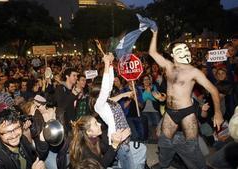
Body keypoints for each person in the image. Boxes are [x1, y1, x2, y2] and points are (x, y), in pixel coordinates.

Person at [148, 28, 224, 168]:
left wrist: (218, 113)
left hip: (187, 113)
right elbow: (152, 53)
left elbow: (213, 90)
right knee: (164, 142)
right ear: (172, 55)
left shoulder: (194, 72)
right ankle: (164, 164)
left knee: (191, 147)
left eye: (186, 50)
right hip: (170, 112)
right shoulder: (168, 66)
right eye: (180, 51)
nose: (185, 53)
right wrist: (154, 33)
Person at [91, 53, 147, 169]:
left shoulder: (107, 101)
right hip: (119, 140)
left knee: (124, 163)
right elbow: (106, 87)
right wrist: (106, 64)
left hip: (125, 136)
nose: (105, 91)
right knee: (129, 166)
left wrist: (111, 65)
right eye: (102, 90)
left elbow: (110, 87)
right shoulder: (99, 105)